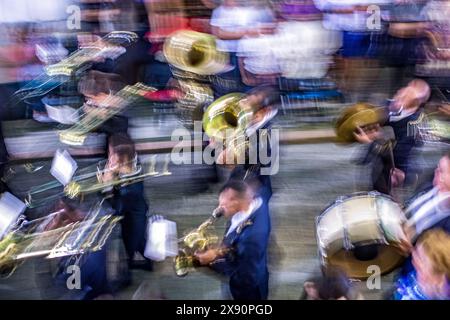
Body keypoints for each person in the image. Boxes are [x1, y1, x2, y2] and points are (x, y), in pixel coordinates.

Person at [195, 180, 271, 300]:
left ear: (235, 201)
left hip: (248, 292)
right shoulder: (257, 200)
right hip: (254, 270)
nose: (218, 209)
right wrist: (220, 250)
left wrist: (211, 260)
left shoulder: (250, 238)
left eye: (222, 205)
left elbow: (243, 276)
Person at [354, 79, 431, 195]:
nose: (399, 93)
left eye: (405, 95)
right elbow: (374, 121)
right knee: (373, 188)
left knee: (385, 197)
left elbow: (402, 150)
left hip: (396, 166)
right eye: (404, 89)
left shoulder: (414, 124)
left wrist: (375, 137)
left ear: (415, 103)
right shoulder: (390, 105)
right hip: (379, 158)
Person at [101, 132, 152, 270]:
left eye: (112, 154)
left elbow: (116, 209)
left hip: (131, 218)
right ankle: (144, 260)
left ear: (122, 158)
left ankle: (134, 266)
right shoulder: (132, 161)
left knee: (132, 243)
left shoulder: (129, 189)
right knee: (139, 241)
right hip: (136, 210)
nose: (109, 157)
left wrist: (107, 186)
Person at [393, 228, 450, 300]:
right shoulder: (417, 278)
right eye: (416, 252)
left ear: (440, 278)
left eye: (421, 259)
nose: (414, 261)